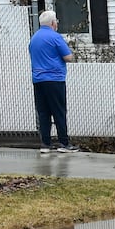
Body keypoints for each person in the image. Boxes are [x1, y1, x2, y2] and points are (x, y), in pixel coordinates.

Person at [28, 10, 78, 153]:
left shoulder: (34, 38)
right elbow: (68, 57)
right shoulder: (55, 37)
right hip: (55, 79)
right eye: (56, 21)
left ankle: (45, 143)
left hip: (38, 80)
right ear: (53, 23)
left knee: (43, 112)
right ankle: (64, 143)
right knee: (59, 111)